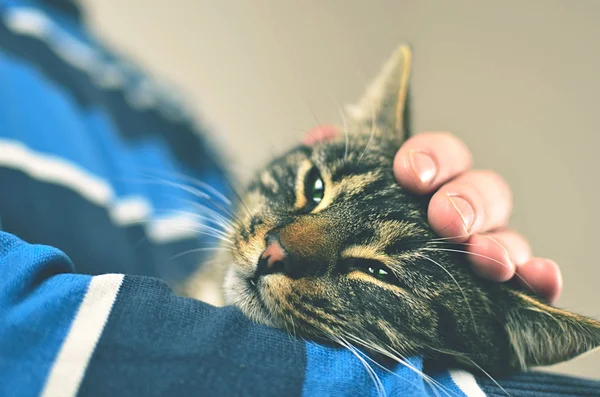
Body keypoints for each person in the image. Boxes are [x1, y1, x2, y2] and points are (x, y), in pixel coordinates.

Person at [2, 1, 592, 397]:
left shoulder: (167, 119)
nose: (285, 245)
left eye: (375, 271)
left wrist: (492, 340)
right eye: (314, 190)